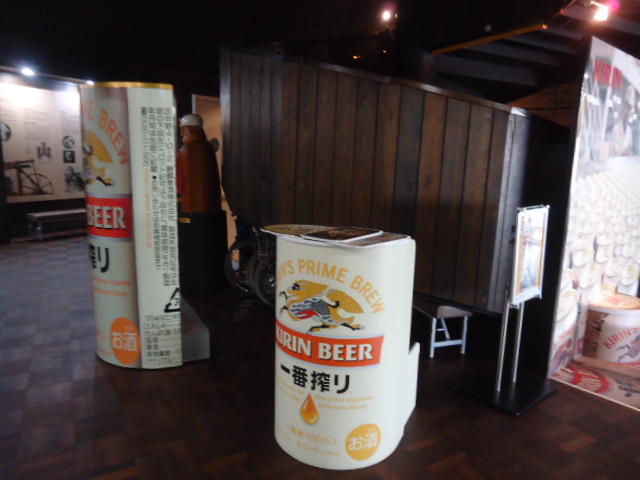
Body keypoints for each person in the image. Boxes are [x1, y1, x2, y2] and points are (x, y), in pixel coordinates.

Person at [176, 113, 221, 214]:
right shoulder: (207, 147)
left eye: (183, 129)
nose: (182, 133)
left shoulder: (187, 150)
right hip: (211, 207)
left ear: (192, 128)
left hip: (192, 208)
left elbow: (181, 182)